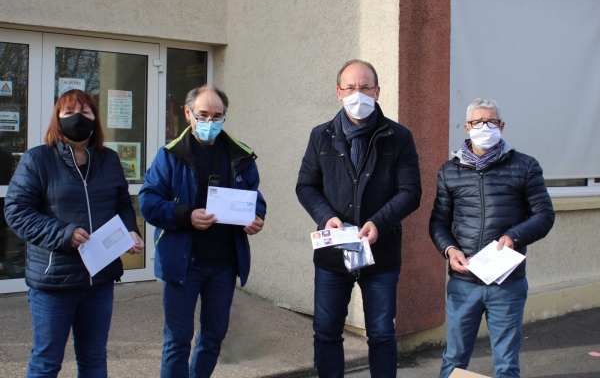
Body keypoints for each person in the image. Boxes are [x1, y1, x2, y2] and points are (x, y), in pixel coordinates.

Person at [4, 89, 144, 378]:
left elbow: (122, 204)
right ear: (57, 119)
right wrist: (63, 233)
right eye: (69, 112)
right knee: (47, 362)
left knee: (94, 360)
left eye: (86, 112)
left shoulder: (109, 159)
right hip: (53, 280)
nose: (78, 118)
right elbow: (17, 211)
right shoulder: (37, 160)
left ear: (95, 118)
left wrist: (131, 229)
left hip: (100, 279)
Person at [296, 60, 422, 377]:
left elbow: (410, 191)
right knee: (326, 333)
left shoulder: (399, 137)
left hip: (380, 253)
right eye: (350, 87)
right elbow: (306, 186)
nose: (358, 94)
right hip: (333, 252)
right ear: (339, 92)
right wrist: (326, 216)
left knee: (381, 334)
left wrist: (379, 222)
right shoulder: (320, 136)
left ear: (377, 91)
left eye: (365, 87)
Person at [139, 85, 266, 378]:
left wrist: (256, 215)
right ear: (188, 114)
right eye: (203, 115)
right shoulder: (170, 156)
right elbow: (148, 202)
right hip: (184, 262)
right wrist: (185, 215)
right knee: (178, 341)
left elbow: (254, 195)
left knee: (213, 338)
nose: (210, 122)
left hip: (224, 264)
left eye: (217, 116)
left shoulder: (240, 154)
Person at [429, 98, 555, 378]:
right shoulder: (450, 171)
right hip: (464, 283)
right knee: (454, 358)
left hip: (507, 282)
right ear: (467, 127)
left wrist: (514, 235)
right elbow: (439, 221)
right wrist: (449, 250)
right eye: (478, 122)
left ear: (502, 126)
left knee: (506, 363)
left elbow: (544, 215)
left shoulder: (525, 166)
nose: (485, 127)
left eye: (492, 121)